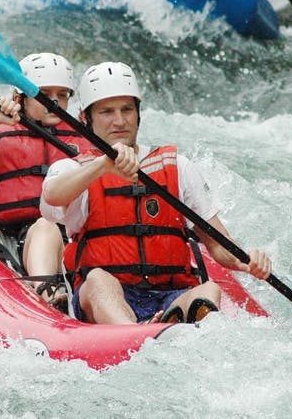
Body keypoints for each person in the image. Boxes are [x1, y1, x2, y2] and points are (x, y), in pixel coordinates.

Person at [40, 62, 272, 325]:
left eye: (127, 109)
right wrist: (104, 165)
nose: (119, 120)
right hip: (108, 296)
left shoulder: (177, 166)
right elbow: (53, 195)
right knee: (98, 280)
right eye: (106, 111)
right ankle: (134, 331)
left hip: (170, 294)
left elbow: (217, 242)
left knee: (209, 291)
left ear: (138, 113)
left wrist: (246, 261)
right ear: (85, 118)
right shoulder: (75, 168)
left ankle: (171, 324)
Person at [0, 53, 91, 307]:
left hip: (77, 238)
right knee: (45, 227)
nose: (54, 102)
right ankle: (48, 293)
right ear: (18, 98)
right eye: (44, 94)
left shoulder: (84, 138)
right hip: (21, 237)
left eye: (62, 94)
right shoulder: (2, 135)